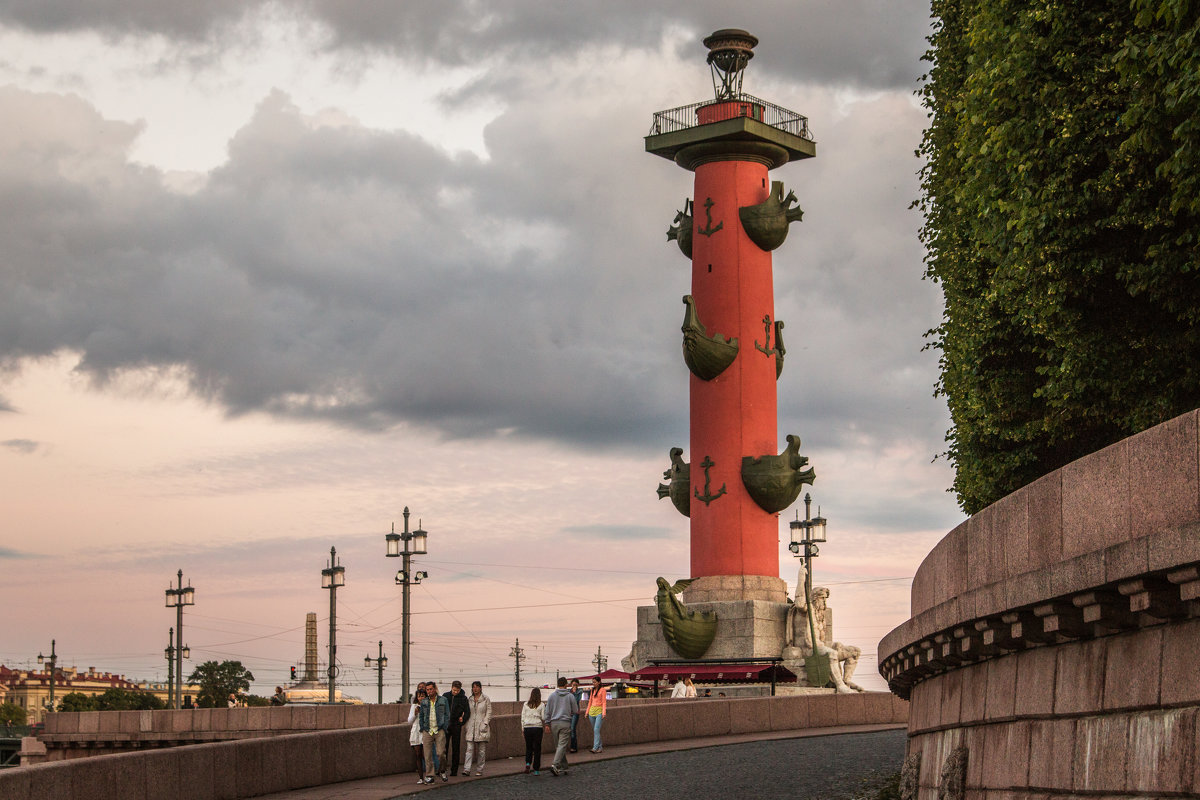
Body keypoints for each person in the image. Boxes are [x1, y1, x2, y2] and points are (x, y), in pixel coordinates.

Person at [543, 676, 576, 776]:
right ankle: (555, 764)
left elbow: (547, 711)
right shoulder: (570, 696)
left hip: (554, 724)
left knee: (559, 746)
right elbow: (575, 710)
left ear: (558, 685)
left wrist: (547, 723)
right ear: (566, 685)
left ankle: (564, 767)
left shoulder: (552, 696)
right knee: (561, 745)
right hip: (565, 723)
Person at [419, 682, 450, 783]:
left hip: (439, 729)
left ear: (435, 689)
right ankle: (430, 775)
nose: (429, 691)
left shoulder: (443, 700)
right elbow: (421, 715)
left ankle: (442, 770)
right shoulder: (424, 702)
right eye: (427, 690)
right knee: (427, 754)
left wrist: (444, 726)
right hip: (427, 730)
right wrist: (422, 727)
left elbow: (447, 715)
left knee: (441, 753)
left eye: (431, 689)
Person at [442, 680, 471, 776]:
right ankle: (442, 769)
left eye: (457, 690)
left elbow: (467, 712)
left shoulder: (463, 698)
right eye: (454, 690)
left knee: (456, 748)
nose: (455, 692)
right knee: (443, 748)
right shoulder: (445, 696)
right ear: (451, 688)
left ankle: (454, 770)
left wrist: (462, 720)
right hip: (446, 725)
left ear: (460, 689)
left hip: (456, 725)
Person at [463, 681, 491, 776]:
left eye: (477, 687)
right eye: (473, 687)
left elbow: (489, 712)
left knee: (481, 750)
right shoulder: (469, 699)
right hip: (471, 726)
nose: (475, 689)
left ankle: (479, 769)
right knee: (469, 749)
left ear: (480, 688)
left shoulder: (486, 699)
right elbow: (466, 712)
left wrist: (485, 723)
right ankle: (467, 769)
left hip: (481, 727)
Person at [521, 687, 546, 774]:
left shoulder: (525, 704)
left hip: (527, 727)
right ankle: (536, 770)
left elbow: (522, 718)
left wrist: (522, 729)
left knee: (528, 747)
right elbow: (543, 717)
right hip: (537, 728)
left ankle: (528, 763)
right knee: (537, 749)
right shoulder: (542, 705)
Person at [407, 682, 428, 784]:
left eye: (423, 696)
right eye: (419, 696)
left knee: (426, 755)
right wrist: (415, 713)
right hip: (416, 731)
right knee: (418, 754)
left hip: (425, 731)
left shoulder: (429, 706)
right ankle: (421, 777)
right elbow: (409, 721)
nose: (421, 698)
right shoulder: (414, 706)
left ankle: (429, 775)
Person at [585, 677, 608, 753]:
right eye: (593, 682)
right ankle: (600, 747)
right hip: (592, 712)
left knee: (596, 730)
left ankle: (595, 748)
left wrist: (604, 713)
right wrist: (587, 712)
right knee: (596, 731)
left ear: (599, 682)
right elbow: (590, 702)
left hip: (599, 711)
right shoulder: (592, 690)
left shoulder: (603, 690)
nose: (593, 683)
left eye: (595, 682)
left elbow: (604, 702)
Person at [567, 678, 583, 753]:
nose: (574, 686)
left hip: (575, 713)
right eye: (573, 684)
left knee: (572, 729)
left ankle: (573, 747)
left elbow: (576, 700)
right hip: (568, 713)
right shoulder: (567, 692)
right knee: (569, 729)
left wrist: (574, 692)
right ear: (571, 684)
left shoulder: (579, 691)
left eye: (576, 685)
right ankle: (574, 746)